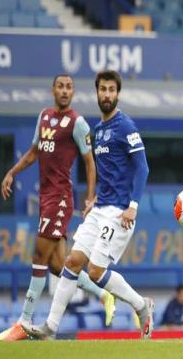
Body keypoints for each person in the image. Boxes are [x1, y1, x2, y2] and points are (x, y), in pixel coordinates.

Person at [23, 70, 154, 340]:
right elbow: (107, 172)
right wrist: (93, 199)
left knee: (94, 272)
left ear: (118, 94)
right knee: (72, 263)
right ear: (97, 92)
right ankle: (50, 328)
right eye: (103, 89)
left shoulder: (125, 126)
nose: (107, 95)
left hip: (119, 212)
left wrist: (133, 206)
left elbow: (142, 168)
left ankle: (142, 305)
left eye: (111, 90)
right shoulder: (99, 129)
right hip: (100, 208)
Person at [0, 75, 115, 341]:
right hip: (45, 197)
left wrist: (90, 198)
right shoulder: (44, 117)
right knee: (57, 265)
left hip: (60, 199)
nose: (64, 91)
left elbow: (90, 162)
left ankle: (24, 321)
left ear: (73, 92)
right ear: (53, 90)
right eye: (60, 86)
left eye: (69, 87)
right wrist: (12, 173)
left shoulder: (77, 123)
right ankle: (103, 295)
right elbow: (34, 152)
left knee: (39, 256)